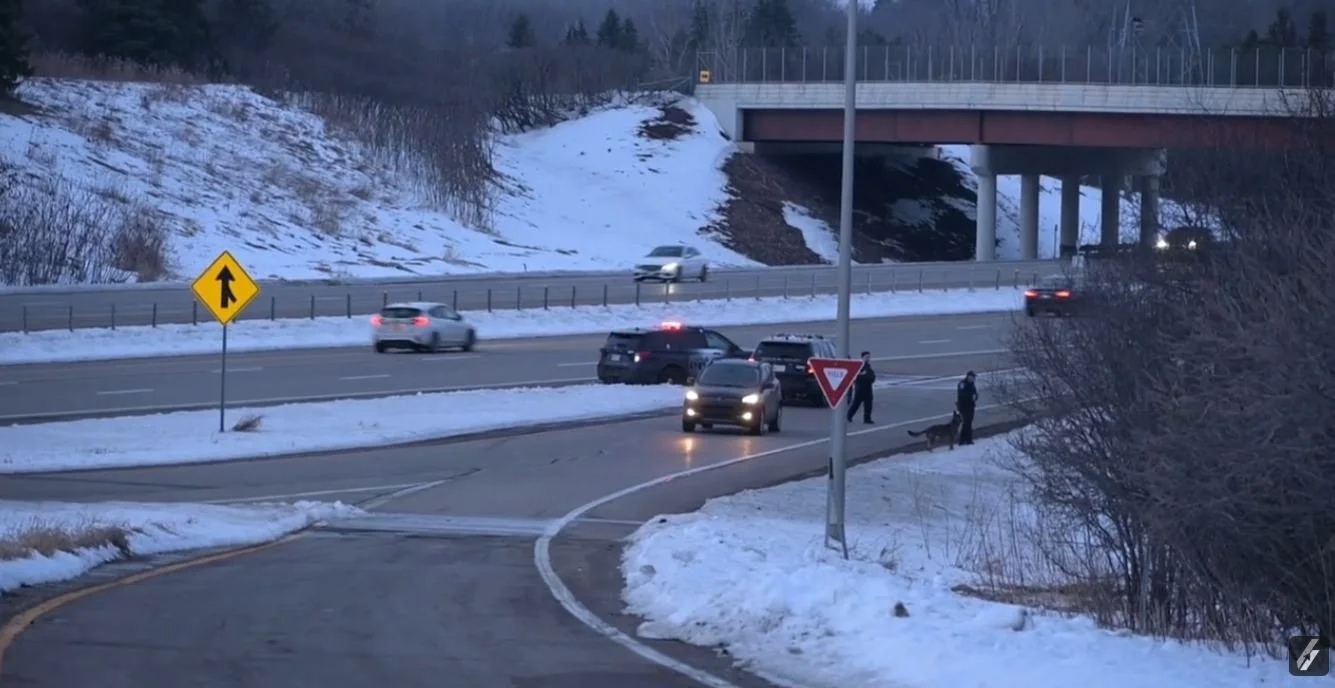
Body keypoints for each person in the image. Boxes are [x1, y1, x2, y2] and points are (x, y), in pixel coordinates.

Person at [846, 351, 876, 424]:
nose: (868, 358)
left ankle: (867, 418)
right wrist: (863, 376)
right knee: (856, 403)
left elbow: (871, 376)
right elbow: (857, 376)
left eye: (869, 357)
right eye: (866, 357)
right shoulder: (859, 366)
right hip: (860, 388)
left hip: (868, 387)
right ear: (862, 357)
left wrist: (870, 377)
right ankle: (849, 416)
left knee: (868, 404)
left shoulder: (868, 366)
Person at [956, 370, 978, 444]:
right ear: (968, 376)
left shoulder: (972, 384)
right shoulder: (962, 384)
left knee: (969, 423)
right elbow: (962, 395)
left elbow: (975, 393)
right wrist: (971, 397)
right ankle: (965, 439)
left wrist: (975, 397)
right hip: (963, 406)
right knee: (966, 423)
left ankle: (966, 439)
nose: (973, 379)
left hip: (971, 406)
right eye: (973, 377)